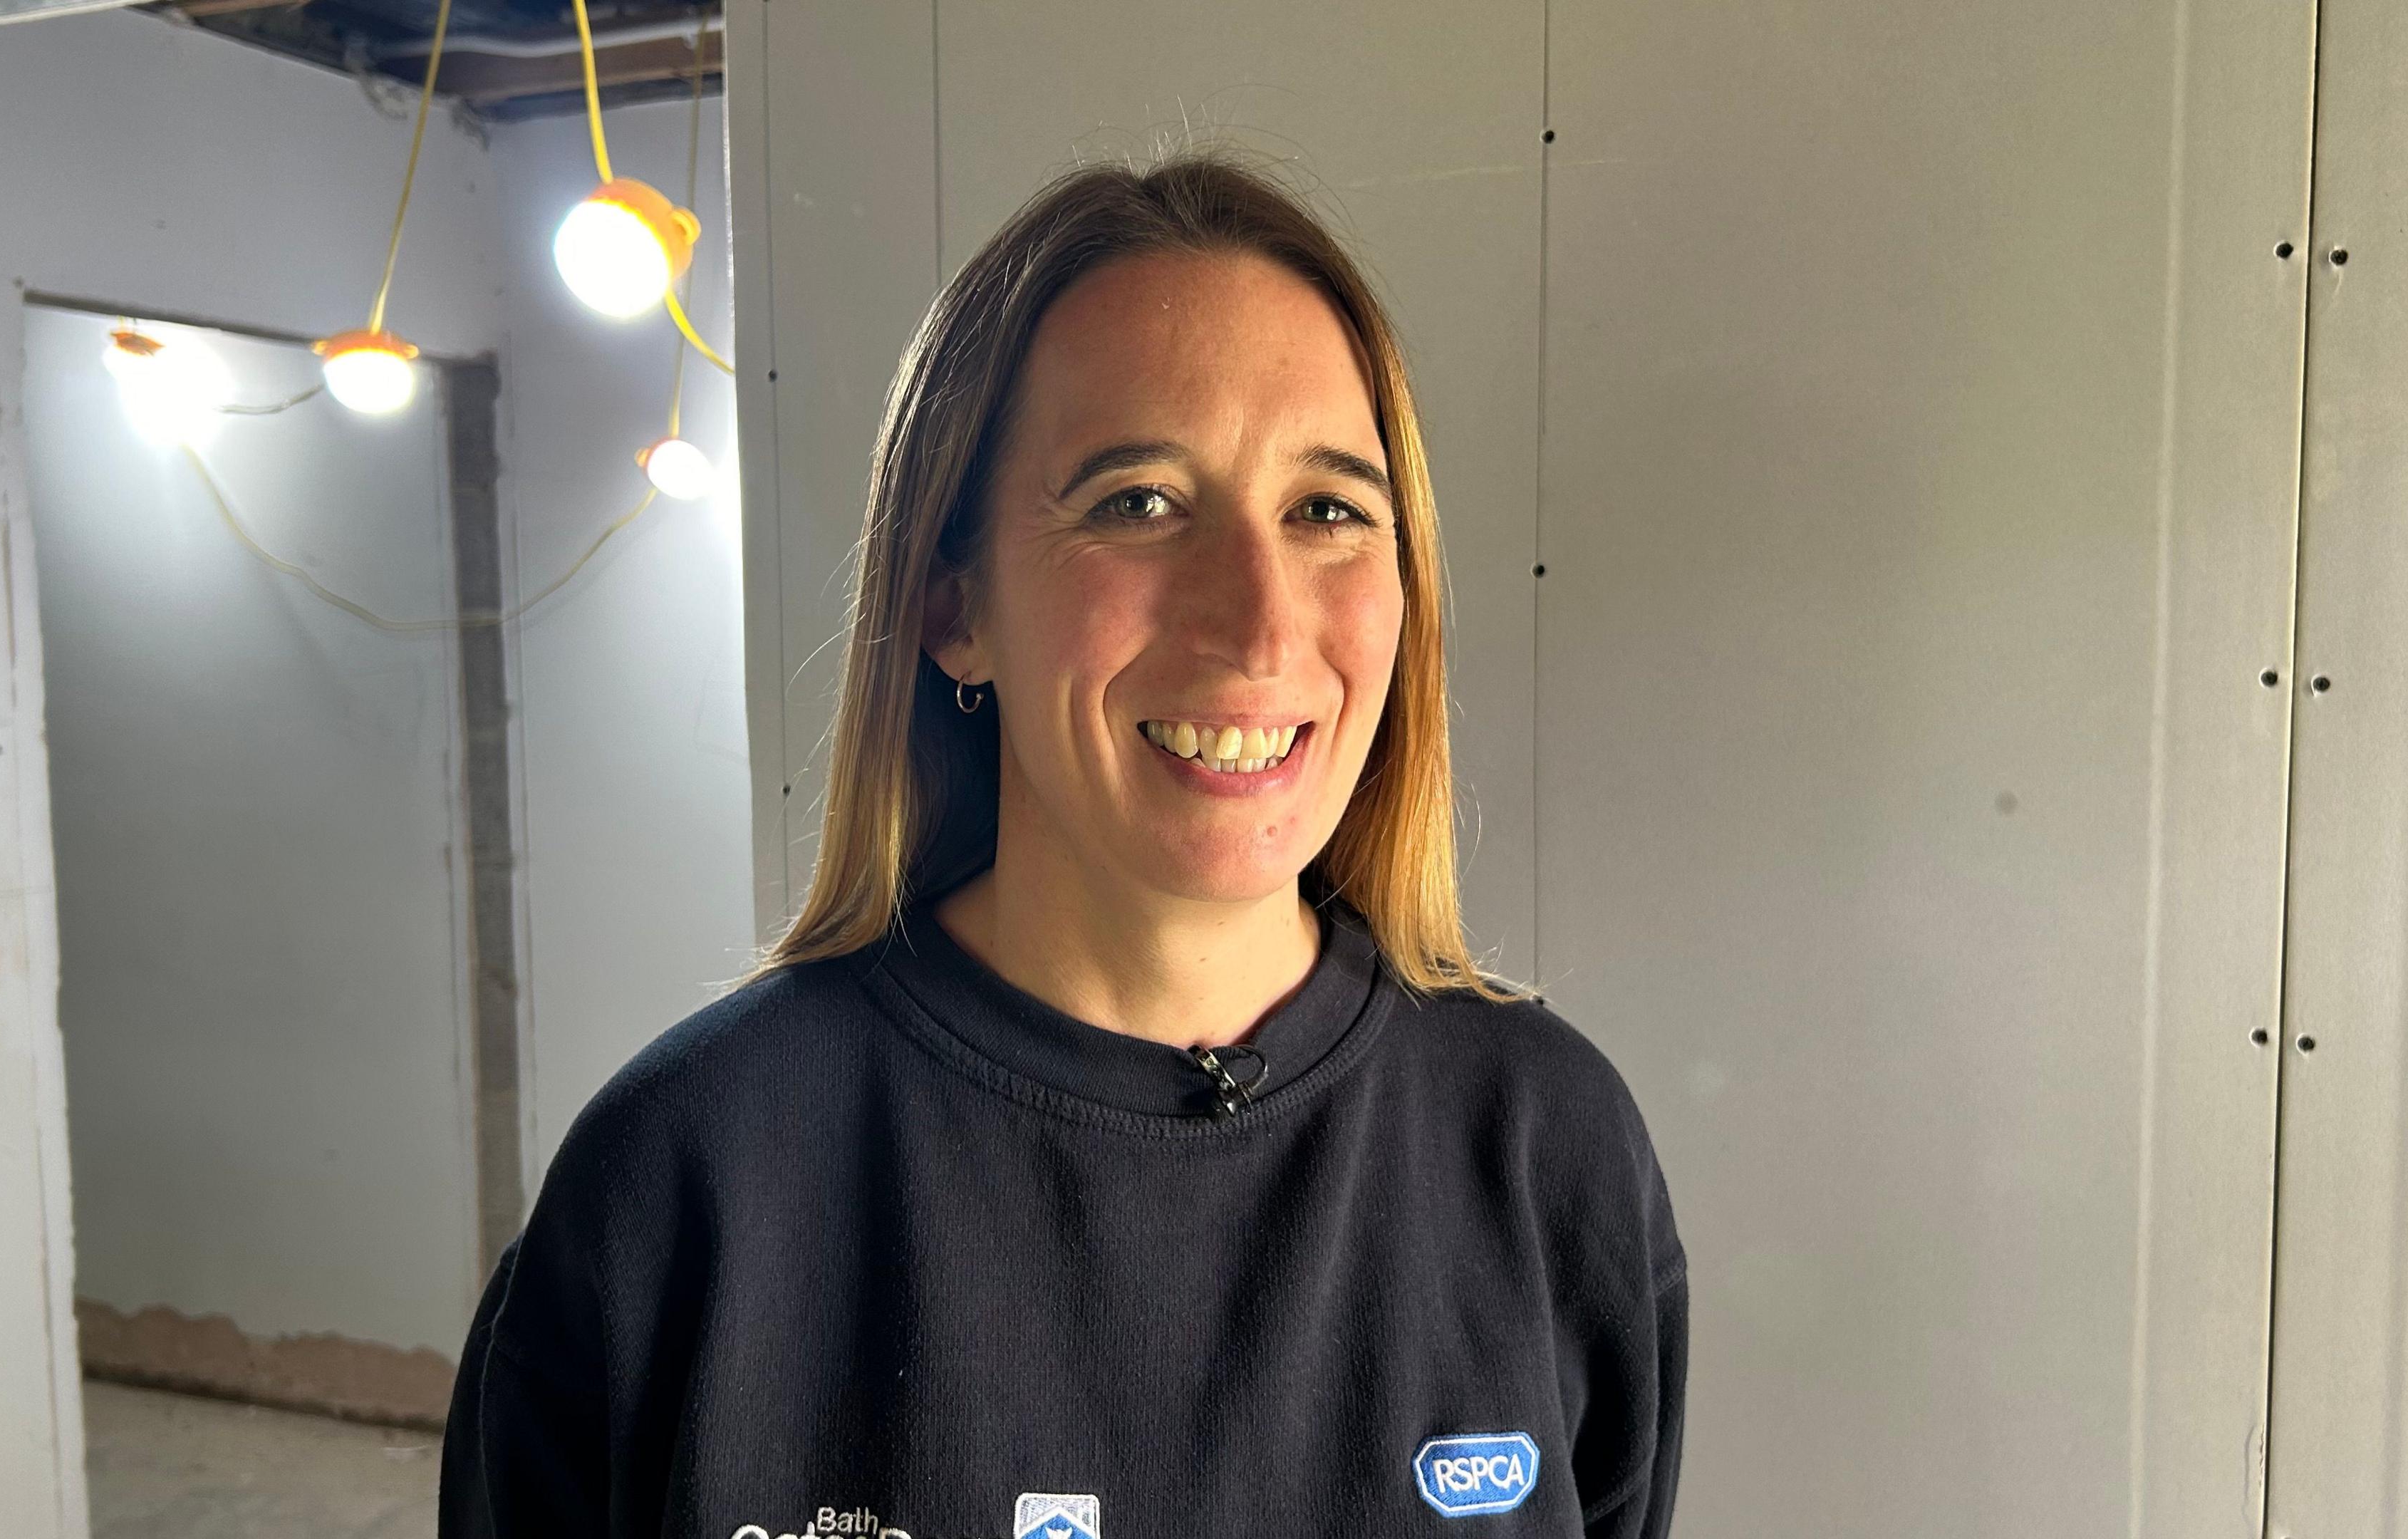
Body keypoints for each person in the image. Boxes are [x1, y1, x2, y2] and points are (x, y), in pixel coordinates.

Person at [437, 151, 1687, 1539]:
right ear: (952, 605)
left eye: (1328, 509)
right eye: (1138, 502)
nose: (1260, 625)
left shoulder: (1545, 1148)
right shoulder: (686, 1184)